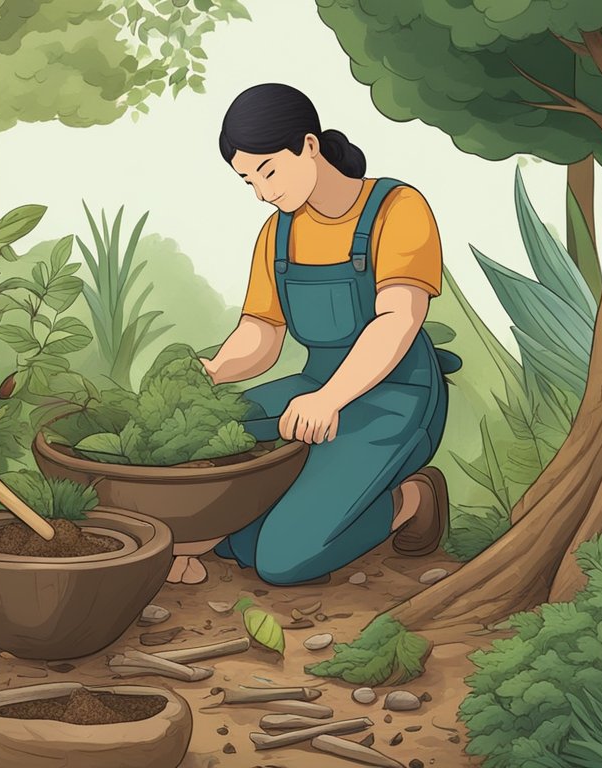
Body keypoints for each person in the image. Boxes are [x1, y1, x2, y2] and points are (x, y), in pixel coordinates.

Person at [166, 83, 460, 586]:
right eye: (248, 180)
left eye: (269, 170)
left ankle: (412, 499)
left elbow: (398, 320)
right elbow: (261, 333)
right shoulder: (277, 233)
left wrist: (331, 398)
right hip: (313, 388)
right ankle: (233, 530)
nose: (263, 191)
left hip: (397, 395)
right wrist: (212, 372)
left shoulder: (397, 208)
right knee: (213, 438)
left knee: (280, 559)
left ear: (308, 144)